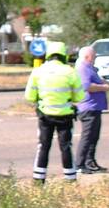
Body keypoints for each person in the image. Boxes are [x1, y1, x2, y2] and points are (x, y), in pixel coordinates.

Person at [24, 41, 85, 184]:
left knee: (43, 146)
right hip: (65, 116)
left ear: (48, 54)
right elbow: (79, 97)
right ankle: (70, 179)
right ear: (64, 55)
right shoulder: (70, 72)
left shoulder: (38, 71)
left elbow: (29, 97)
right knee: (66, 147)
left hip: (45, 115)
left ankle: (39, 179)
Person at [74, 46, 109, 174]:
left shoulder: (90, 68)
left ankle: (90, 162)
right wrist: (105, 88)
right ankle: (80, 164)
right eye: (93, 56)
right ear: (87, 56)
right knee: (87, 136)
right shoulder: (82, 68)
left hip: (95, 107)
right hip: (88, 107)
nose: (95, 58)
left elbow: (98, 81)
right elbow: (87, 86)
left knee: (94, 136)